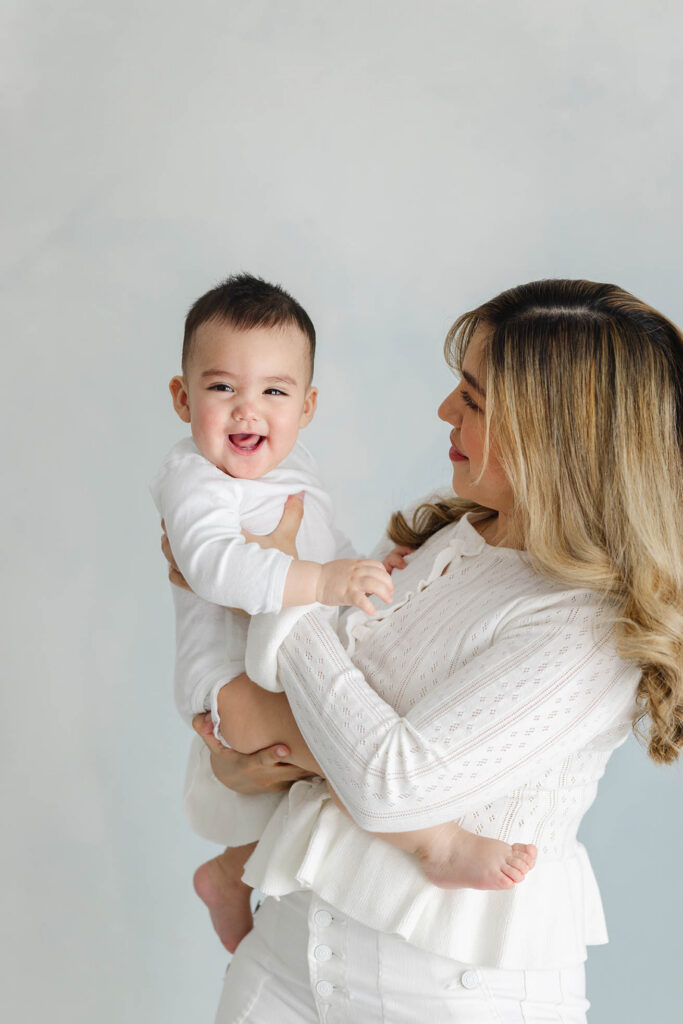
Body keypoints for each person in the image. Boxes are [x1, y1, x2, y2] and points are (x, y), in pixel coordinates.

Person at [169, 277, 682, 1023]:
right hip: (283, 961)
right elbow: (315, 711)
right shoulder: (449, 540)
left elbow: (389, 784)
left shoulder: (587, 624)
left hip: (450, 997)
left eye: (472, 400)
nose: (445, 410)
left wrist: (285, 592)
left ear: (555, 436)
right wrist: (247, 759)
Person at [152, 273, 537, 953]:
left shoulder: (291, 467)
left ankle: (228, 877)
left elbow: (318, 545)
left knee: (315, 767)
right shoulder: (196, 480)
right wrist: (322, 580)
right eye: (221, 389)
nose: (248, 411)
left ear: (307, 406)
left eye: (274, 391)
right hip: (226, 679)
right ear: (183, 399)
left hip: (279, 661)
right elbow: (213, 566)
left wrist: (363, 565)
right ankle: (435, 843)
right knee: (328, 753)